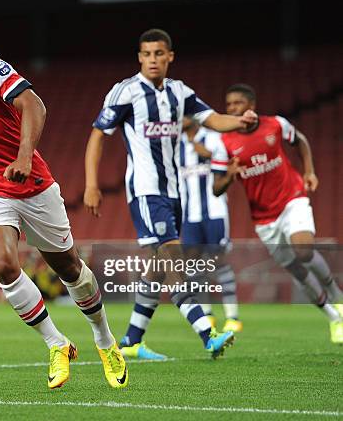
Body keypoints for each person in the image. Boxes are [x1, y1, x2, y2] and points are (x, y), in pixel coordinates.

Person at [0, 0, 127, 389]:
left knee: (69, 269)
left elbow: (34, 104)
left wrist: (25, 156)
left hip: (31, 183)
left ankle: (104, 339)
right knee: (3, 265)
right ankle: (56, 343)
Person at [84, 29, 257, 360]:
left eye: (159, 54)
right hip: (147, 192)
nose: (152, 60)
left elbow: (213, 119)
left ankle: (132, 340)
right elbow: (97, 135)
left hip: (175, 194)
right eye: (146, 54)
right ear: (139, 58)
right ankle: (207, 334)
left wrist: (240, 121)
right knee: (174, 259)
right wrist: (91, 184)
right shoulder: (126, 92)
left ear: (169, 57)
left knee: (158, 266)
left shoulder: (180, 92)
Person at [212, 83, 343, 344]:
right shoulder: (224, 141)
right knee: (295, 268)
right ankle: (334, 319)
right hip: (264, 218)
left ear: (251, 106)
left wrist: (309, 171)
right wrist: (229, 176)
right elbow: (216, 188)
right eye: (228, 105)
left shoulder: (275, 125)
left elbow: (301, 141)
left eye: (237, 103)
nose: (231, 109)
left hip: (292, 198)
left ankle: (337, 297)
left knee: (304, 250)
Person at [180, 118, 242, 333]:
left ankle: (233, 316)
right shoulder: (175, 144)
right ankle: (207, 314)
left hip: (215, 212)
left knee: (218, 261)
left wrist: (209, 154)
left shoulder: (213, 138)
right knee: (193, 265)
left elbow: (225, 167)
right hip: (190, 215)